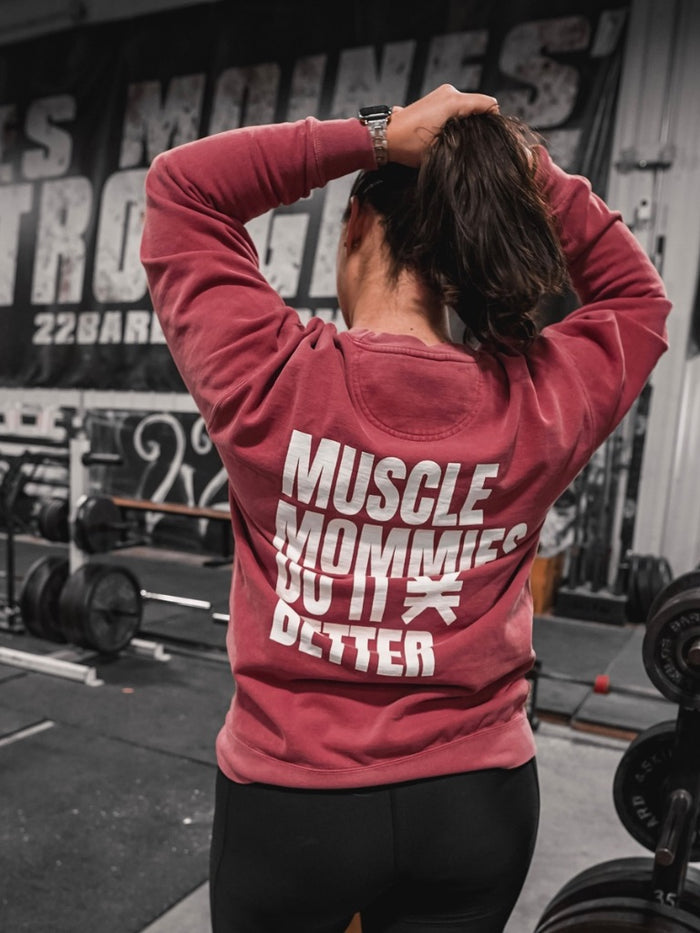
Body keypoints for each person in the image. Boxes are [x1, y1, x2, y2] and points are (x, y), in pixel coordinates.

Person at [140, 84, 670, 933]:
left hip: (291, 808)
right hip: (477, 806)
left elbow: (183, 186)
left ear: (355, 226)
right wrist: (524, 169)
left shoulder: (272, 375)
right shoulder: (532, 399)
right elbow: (639, 299)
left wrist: (378, 135)